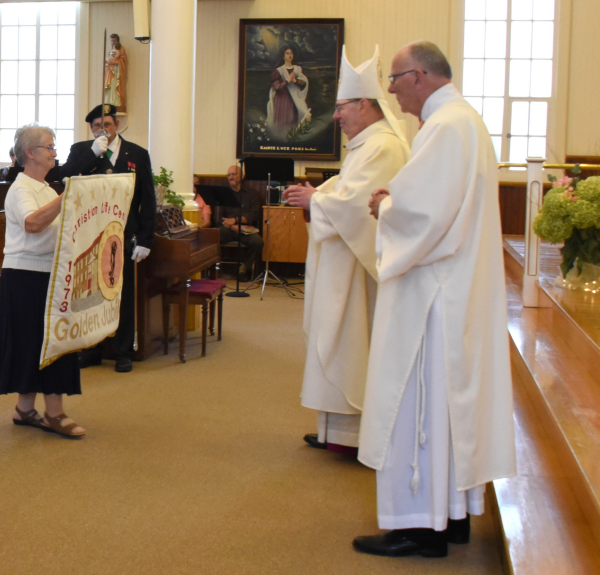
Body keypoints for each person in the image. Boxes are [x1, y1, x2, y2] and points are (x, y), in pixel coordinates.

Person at [353, 41, 516, 558]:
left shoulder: (446, 128)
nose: (393, 92)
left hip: (431, 297)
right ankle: (449, 516)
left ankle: (420, 526)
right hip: (453, 290)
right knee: (447, 410)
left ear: (419, 76)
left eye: (395, 81)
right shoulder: (465, 123)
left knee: (415, 403)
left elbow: (422, 216)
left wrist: (385, 206)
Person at [282, 45, 410, 454]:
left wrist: (315, 200)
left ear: (364, 104)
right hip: (344, 264)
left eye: (341, 108)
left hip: (357, 270)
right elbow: (347, 189)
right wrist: (318, 193)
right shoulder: (367, 146)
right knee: (340, 339)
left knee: (353, 340)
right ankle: (334, 430)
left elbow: (361, 204)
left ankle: (354, 435)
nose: (335, 116)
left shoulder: (384, 146)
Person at [0, 124, 84, 438]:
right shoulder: (21, 189)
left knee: (45, 341)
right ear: (30, 153)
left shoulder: (45, 188)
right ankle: (54, 414)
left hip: (49, 272)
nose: (55, 152)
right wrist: (66, 198)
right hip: (25, 276)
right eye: (49, 146)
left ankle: (25, 410)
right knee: (32, 342)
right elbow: (32, 223)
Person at [60, 104, 155, 373]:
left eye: (108, 125)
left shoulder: (137, 153)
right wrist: (92, 156)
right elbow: (64, 177)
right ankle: (92, 349)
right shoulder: (81, 150)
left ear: (117, 126)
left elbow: (147, 199)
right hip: (90, 234)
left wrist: (146, 239)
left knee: (121, 292)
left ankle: (122, 350)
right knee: (90, 292)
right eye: (97, 127)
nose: (103, 130)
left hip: (124, 234)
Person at [217, 164, 263, 282]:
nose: (231, 177)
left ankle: (243, 269)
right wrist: (233, 226)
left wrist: (236, 221)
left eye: (234, 174)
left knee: (258, 242)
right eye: (229, 175)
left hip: (246, 229)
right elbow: (218, 218)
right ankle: (215, 269)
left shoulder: (252, 194)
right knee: (212, 237)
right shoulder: (223, 194)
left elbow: (254, 215)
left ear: (242, 176)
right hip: (228, 229)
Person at [266, 45, 311, 137]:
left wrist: (296, 81)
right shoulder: (278, 70)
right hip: (282, 98)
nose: (290, 55)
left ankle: (291, 139)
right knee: (282, 120)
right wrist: (287, 81)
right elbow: (277, 87)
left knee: (292, 119)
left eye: (291, 53)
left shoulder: (297, 69)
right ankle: (280, 138)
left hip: (294, 98)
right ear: (283, 56)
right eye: (287, 53)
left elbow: (304, 82)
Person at [103, 33, 127, 111]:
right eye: (111, 41)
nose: (113, 42)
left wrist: (115, 62)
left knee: (115, 87)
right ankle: (109, 102)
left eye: (114, 41)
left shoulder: (121, 49)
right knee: (110, 88)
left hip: (116, 72)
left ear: (117, 41)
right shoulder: (112, 50)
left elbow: (122, 60)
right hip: (110, 71)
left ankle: (116, 103)